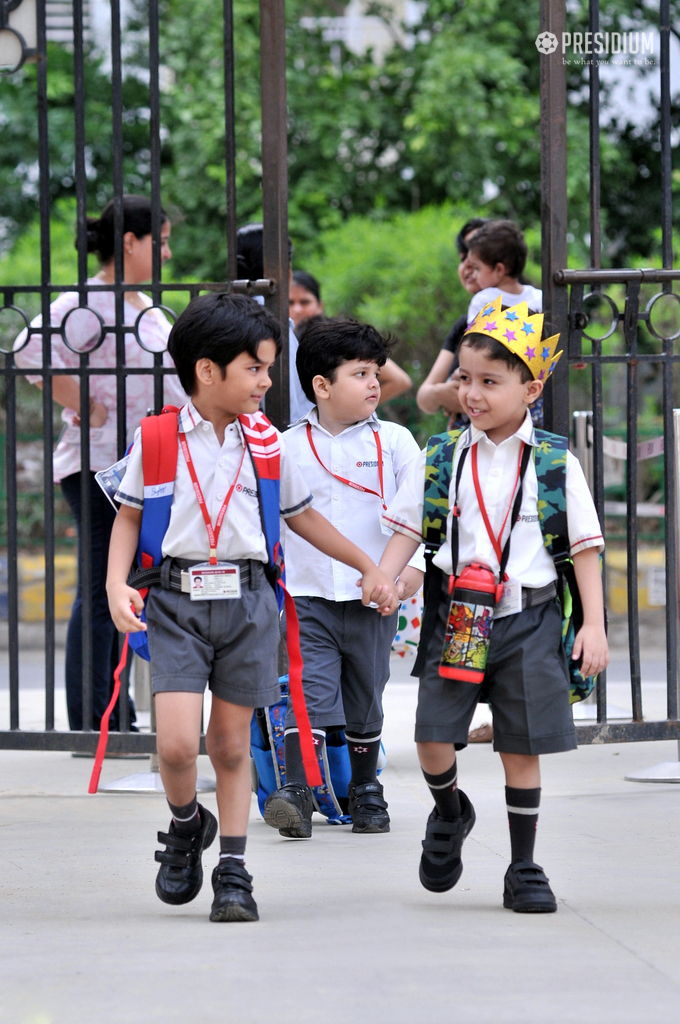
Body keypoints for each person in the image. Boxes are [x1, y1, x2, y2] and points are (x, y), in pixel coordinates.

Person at [105, 293, 398, 923]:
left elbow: (305, 518)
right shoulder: (156, 438)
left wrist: (367, 564)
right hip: (177, 602)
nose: (268, 381)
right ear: (207, 371)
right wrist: (114, 585)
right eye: (257, 369)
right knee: (179, 747)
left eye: (269, 368)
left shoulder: (268, 444)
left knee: (231, 745)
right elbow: (128, 517)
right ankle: (187, 824)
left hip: (248, 603)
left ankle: (233, 869)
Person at [378, 299, 608, 912]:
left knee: (520, 745)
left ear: (530, 389)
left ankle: (524, 867)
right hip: (457, 614)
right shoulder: (443, 456)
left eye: (488, 382)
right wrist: (384, 572)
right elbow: (406, 529)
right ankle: (450, 811)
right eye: (463, 379)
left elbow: (584, 548)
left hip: (527, 616)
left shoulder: (556, 461)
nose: (471, 394)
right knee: (432, 736)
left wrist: (595, 626)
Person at [13, 194, 186, 732]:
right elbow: (26, 346)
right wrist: (82, 403)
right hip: (98, 468)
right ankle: (94, 718)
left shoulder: (143, 305)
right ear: (129, 243)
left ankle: (115, 710)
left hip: (141, 469)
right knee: (100, 588)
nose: (168, 254)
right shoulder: (90, 301)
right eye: (160, 242)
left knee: (126, 587)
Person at [263, 317, 424, 839]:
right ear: (322, 386)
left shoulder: (396, 443)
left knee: (365, 694)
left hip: (374, 601)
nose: (375, 382)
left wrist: (403, 580)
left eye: (376, 371)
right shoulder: (286, 446)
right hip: (305, 596)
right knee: (306, 694)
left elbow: (421, 519)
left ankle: (364, 787)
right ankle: (298, 790)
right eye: (360, 373)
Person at [291, 271, 412, 407]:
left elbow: (400, 380)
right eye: (289, 303)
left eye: (304, 302)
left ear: (320, 305)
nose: (297, 309)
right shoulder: (275, 340)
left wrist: (355, 407)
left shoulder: (335, 337)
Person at [416, 217, 489, 422]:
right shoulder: (463, 325)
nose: (467, 264)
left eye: (476, 254)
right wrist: (443, 392)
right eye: (463, 256)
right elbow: (424, 398)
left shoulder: (529, 317)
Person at [465, 219, 542, 323]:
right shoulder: (539, 298)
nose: (474, 275)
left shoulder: (483, 301)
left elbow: (474, 338)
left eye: (477, 268)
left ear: (499, 269)